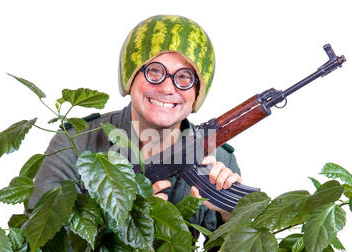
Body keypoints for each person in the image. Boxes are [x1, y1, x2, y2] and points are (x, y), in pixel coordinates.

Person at [29, 15, 242, 239]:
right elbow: (37, 242)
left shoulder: (218, 157)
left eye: (184, 77)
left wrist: (232, 217)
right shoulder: (76, 142)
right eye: (154, 71)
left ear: (197, 91)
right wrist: (116, 221)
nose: (168, 88)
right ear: (131, 76)